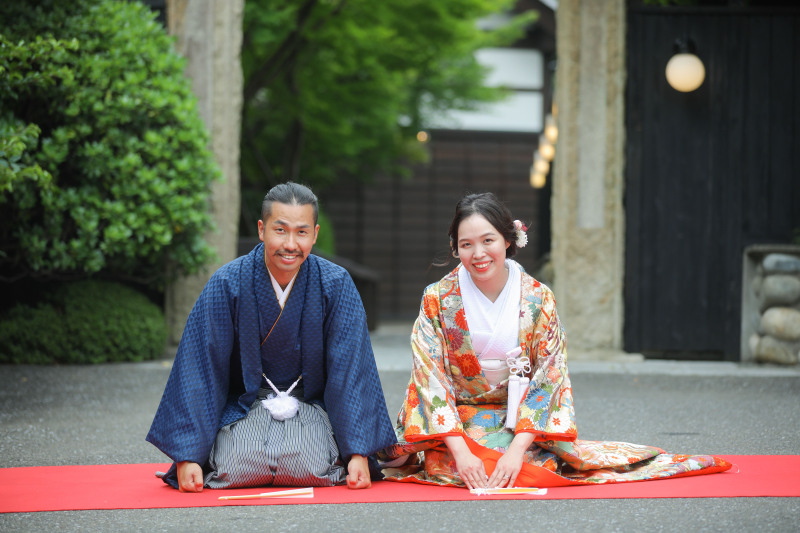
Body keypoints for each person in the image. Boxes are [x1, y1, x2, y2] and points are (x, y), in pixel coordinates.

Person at [379, 192, 731, 488]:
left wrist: (517, 449)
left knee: (528, 466)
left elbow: (549, 376)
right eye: (466, 244)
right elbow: (429, 377)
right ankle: (455, 453)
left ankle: (514, 452)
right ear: (455, 249)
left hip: (514, 419)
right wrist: (462, 451)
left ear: (507, 239)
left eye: (488, 240)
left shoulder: (538, 298)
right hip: (456, 419)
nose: (478, 253)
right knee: (451, 466)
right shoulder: (437, 298)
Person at [147, 182, 396, 492]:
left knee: (311, 461)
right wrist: (189, 457)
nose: (290, 244)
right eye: (280, 230)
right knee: (233, 464)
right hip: (245, 403)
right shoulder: (227, 282)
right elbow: (201, 366)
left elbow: (351, 370)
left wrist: (357, 452)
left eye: (301, 232)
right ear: (262, 229)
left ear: (315, 234)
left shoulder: (335, 284)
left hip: (310, 403)